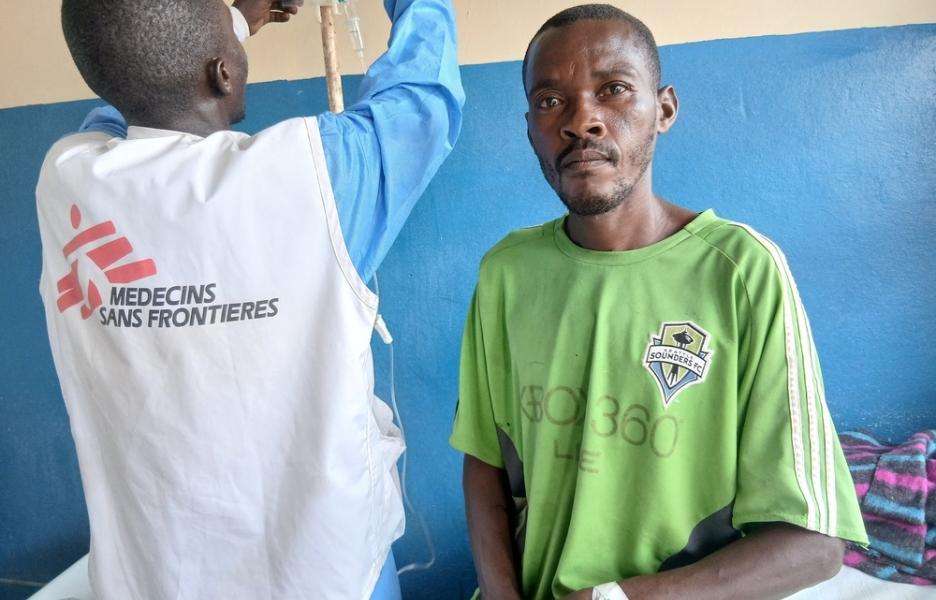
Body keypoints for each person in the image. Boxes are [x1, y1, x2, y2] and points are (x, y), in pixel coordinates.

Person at [37, 0, 463, 597]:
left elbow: (128, 83)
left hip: (151, 581)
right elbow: (426, 102)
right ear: (223, 74)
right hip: (329, 576)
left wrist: (232, 21)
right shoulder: (314, 176)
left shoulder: (68, 179)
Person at [449, 5, 867, 599]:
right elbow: (484, 459)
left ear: (663, 109)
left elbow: (816, 544)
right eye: (550, 101)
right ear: (530, 128)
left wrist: (614, 598)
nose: (581, 120)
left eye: (613, 89)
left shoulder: (742, 272)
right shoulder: (507, 274)